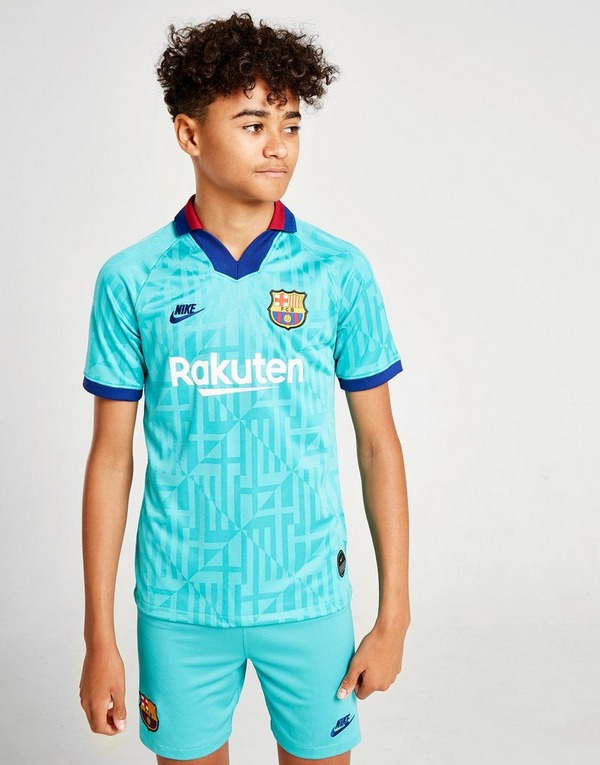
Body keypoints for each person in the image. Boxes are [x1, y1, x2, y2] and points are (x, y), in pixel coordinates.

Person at [78, 11, 410, 765]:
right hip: (180, 605)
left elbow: (379, 444)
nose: (279, 145)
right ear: (189, 134)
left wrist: (393, 615)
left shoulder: (338, 271)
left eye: (290, 125)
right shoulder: (132, 280)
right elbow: (110, 459)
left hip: (309, 600)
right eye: (254, 124)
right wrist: (100, 636)